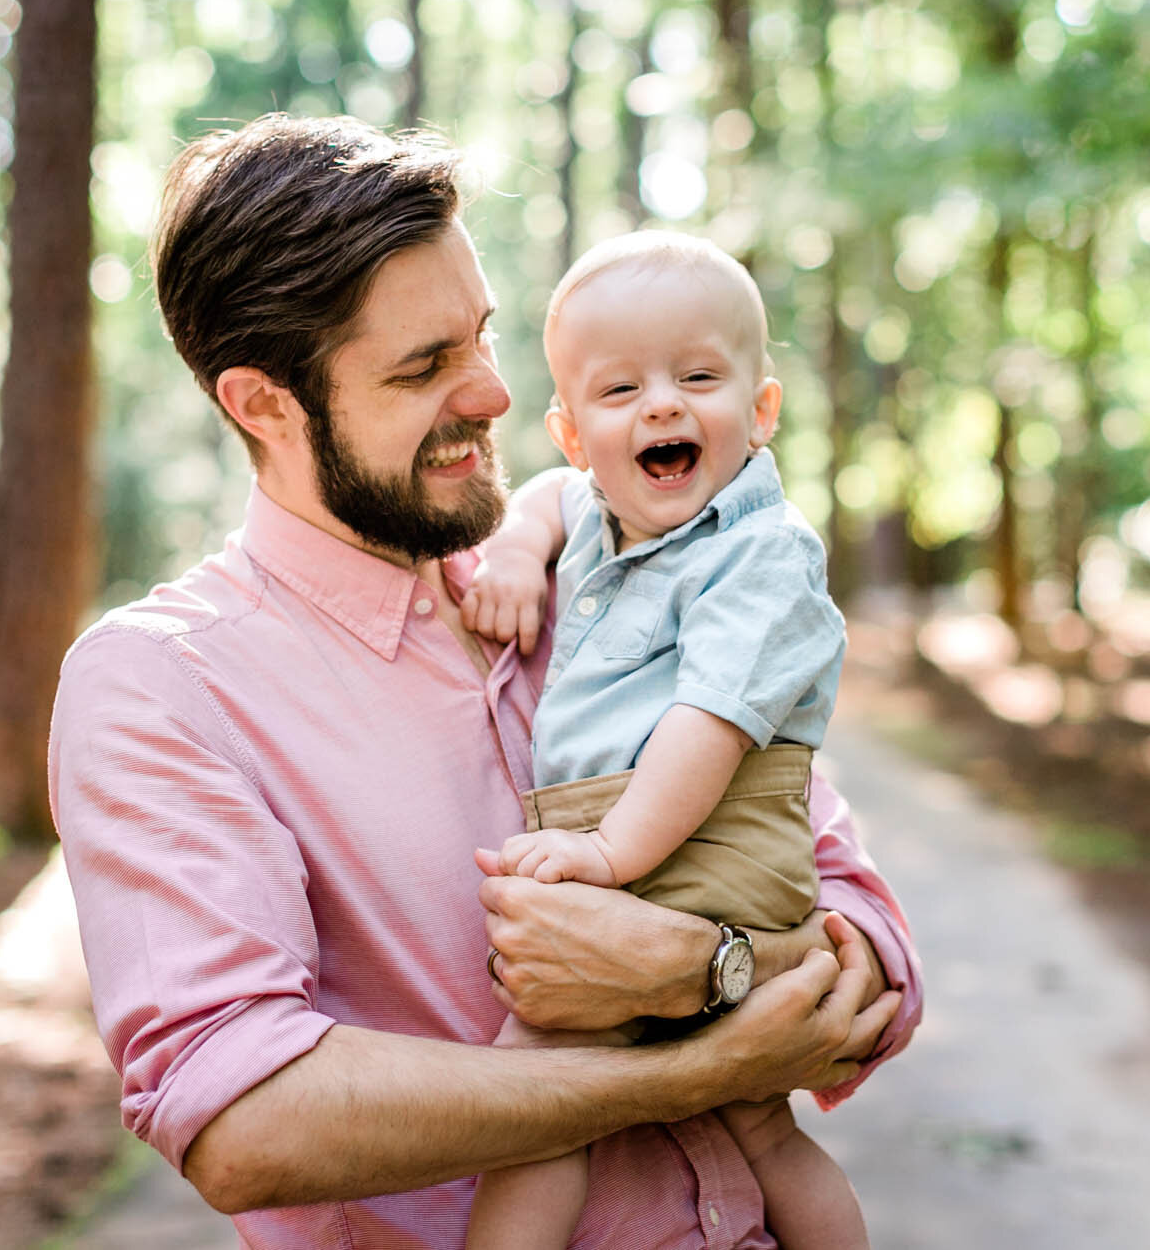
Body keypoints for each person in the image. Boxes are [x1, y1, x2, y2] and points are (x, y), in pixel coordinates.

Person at [47, 113, 923, 1248]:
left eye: (483, 337)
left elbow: (867, 941)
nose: (493, 396)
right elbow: (241, 1118)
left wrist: (706, 967)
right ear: (262, 403)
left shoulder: (630, 564)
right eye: (424, 366)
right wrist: (683, 1066)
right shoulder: (163, 685)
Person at [460, 231, 865, 1249]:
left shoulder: (759, 551)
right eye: (619, 391)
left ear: (760, 410)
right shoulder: (596, 512)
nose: (662, 406)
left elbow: (706, 727)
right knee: (750, 1121)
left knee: (534, 1085)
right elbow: (548, 498)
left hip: (706, 835)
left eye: (697, 377)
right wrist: (515, 545)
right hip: (654, 834)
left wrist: (605, 858)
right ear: (570, 433)